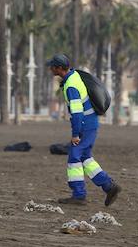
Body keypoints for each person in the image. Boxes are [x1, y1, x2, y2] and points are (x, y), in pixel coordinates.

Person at [47, 53, 122, 206]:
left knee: (74, 156)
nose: (50, 69)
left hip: (85, 124)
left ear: (59, 68)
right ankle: (109, 186)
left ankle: (79, 195)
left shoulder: (71, 86)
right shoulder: (74, 76)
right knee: (85, 157)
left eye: (52, 66)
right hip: (90, 122)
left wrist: (75, 134)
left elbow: (76, 112)